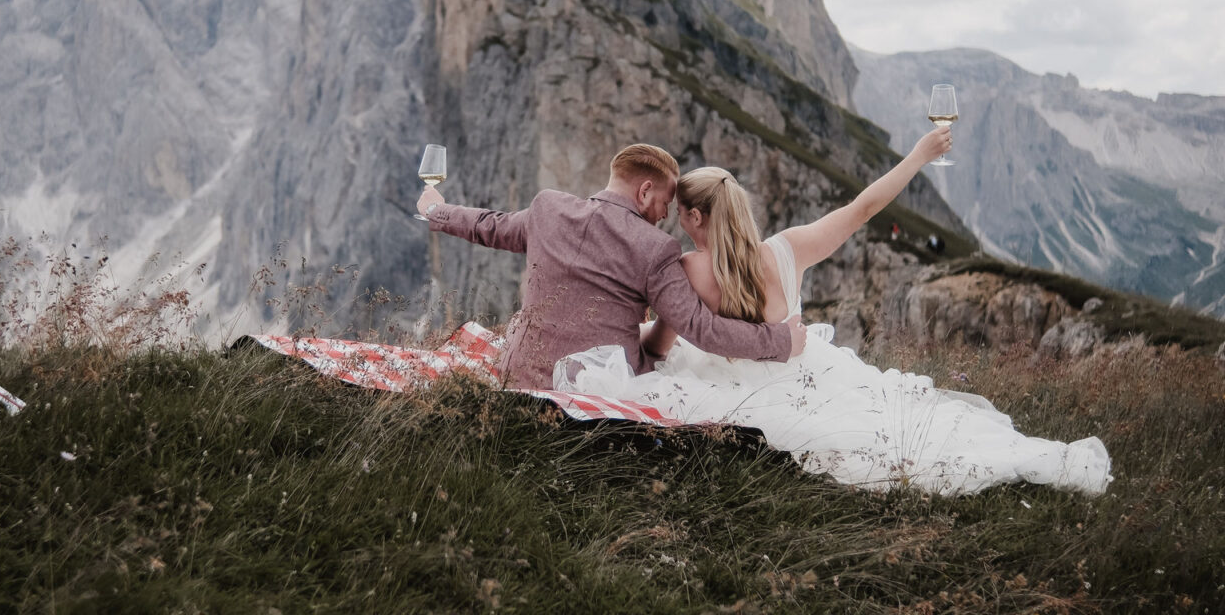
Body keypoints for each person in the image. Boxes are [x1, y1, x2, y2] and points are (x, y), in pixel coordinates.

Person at [563, 126, 1112, 496]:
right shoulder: (787, 250)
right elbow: (863, 207)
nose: (674, 220)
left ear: (696, 217)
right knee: (894, 425)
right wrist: (920, 155)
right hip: (807, 372)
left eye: (680, 213)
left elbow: (658, 345)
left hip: (741, 391)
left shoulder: (687, 271)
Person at [416, 143, 805, 390]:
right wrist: (781, 342)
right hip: (595, 390)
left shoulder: (548, 208)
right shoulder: (657, 248)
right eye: (665, 202)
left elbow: (491, 226)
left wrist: (437, 210)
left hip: (518, 375)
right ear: (644, 190)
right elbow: (702, 329)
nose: (666, 214)